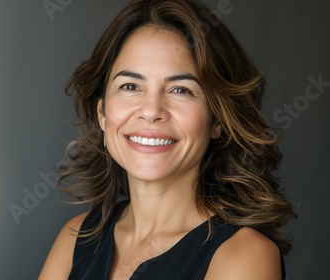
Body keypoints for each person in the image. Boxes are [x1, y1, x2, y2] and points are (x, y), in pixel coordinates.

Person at [39, 0, 295, 279]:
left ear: (218, 120)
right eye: (130, 86)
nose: (151, 111)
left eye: (180, 90)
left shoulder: (244, 255)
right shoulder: (76, 237)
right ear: (102, 113)